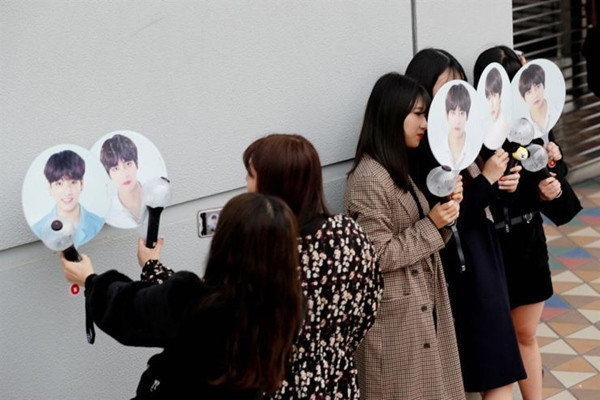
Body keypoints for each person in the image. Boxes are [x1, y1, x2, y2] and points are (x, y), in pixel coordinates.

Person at [60, 193, 304, 399]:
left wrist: (90, 280)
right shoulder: (287, 308)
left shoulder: (198, 306)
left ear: (226, 247)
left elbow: (130, 311)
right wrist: (152, 266)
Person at [407, 50, 526, 399]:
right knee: (493, 376)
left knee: (499, 373)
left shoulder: (468, 139)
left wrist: (503, 186)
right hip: (462, 273)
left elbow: (484, 203)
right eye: (446, 88)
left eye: (459, 86)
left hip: (486, 262)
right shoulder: (421, 154)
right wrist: (486, 181)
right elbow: (449, 216)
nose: (456, 98)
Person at [344, 72, 465, 399]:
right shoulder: (369, 178)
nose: (424, 123)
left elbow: (418, 231)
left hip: (419, 305)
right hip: (395, 320)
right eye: (418, 114)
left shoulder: (395, 168)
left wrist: (445, 217)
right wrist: (432, 224)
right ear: (392, 114)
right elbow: (376, 255)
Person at [475, 46, 581, 400]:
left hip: (527, 244)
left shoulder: (533, 128)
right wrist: (498, 189)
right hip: (491, 247)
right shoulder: (476, 136)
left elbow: (554, 188)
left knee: (526, 334)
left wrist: (553, 177)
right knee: (500, 338)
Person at [242, 133, 383, 400]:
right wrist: (332, 351)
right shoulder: (349, 234)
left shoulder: (264, 251)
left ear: (272, 184)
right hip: (339, 383)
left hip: (279, 388)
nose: (246, 184)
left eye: (251, 176)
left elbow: (227, 322)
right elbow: (370, 305)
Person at [33, 150, 104, 248]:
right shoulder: (38, 230)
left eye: (73, 182)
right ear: (49, 187)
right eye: (59, 183)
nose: (67, 192)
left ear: (81, 184)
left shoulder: (98, 224)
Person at [100, 134, 145, 228]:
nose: (125, 174)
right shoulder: (109, 212)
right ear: (109, 174)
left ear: (136, 164)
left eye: (128, 164)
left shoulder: (153, 194)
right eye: (116, 169)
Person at [518, 63, 559, 138]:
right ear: (523, 98)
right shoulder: (523, 125)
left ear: (544, 86)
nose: (535, 95)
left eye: (538, 86)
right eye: (529, 92)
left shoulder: (556, 110)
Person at [483, 67, 510, 150]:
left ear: (500, 95)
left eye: (494, 95)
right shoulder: (483, 129)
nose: (491, 103)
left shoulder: (509, 126)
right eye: (488, 98)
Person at [445, 83, 471, 168]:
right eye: (453, 113)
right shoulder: (439, 149)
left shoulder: (473, 148)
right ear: (447, 115)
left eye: (462, 113)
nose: (457, 120)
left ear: (467, 116)